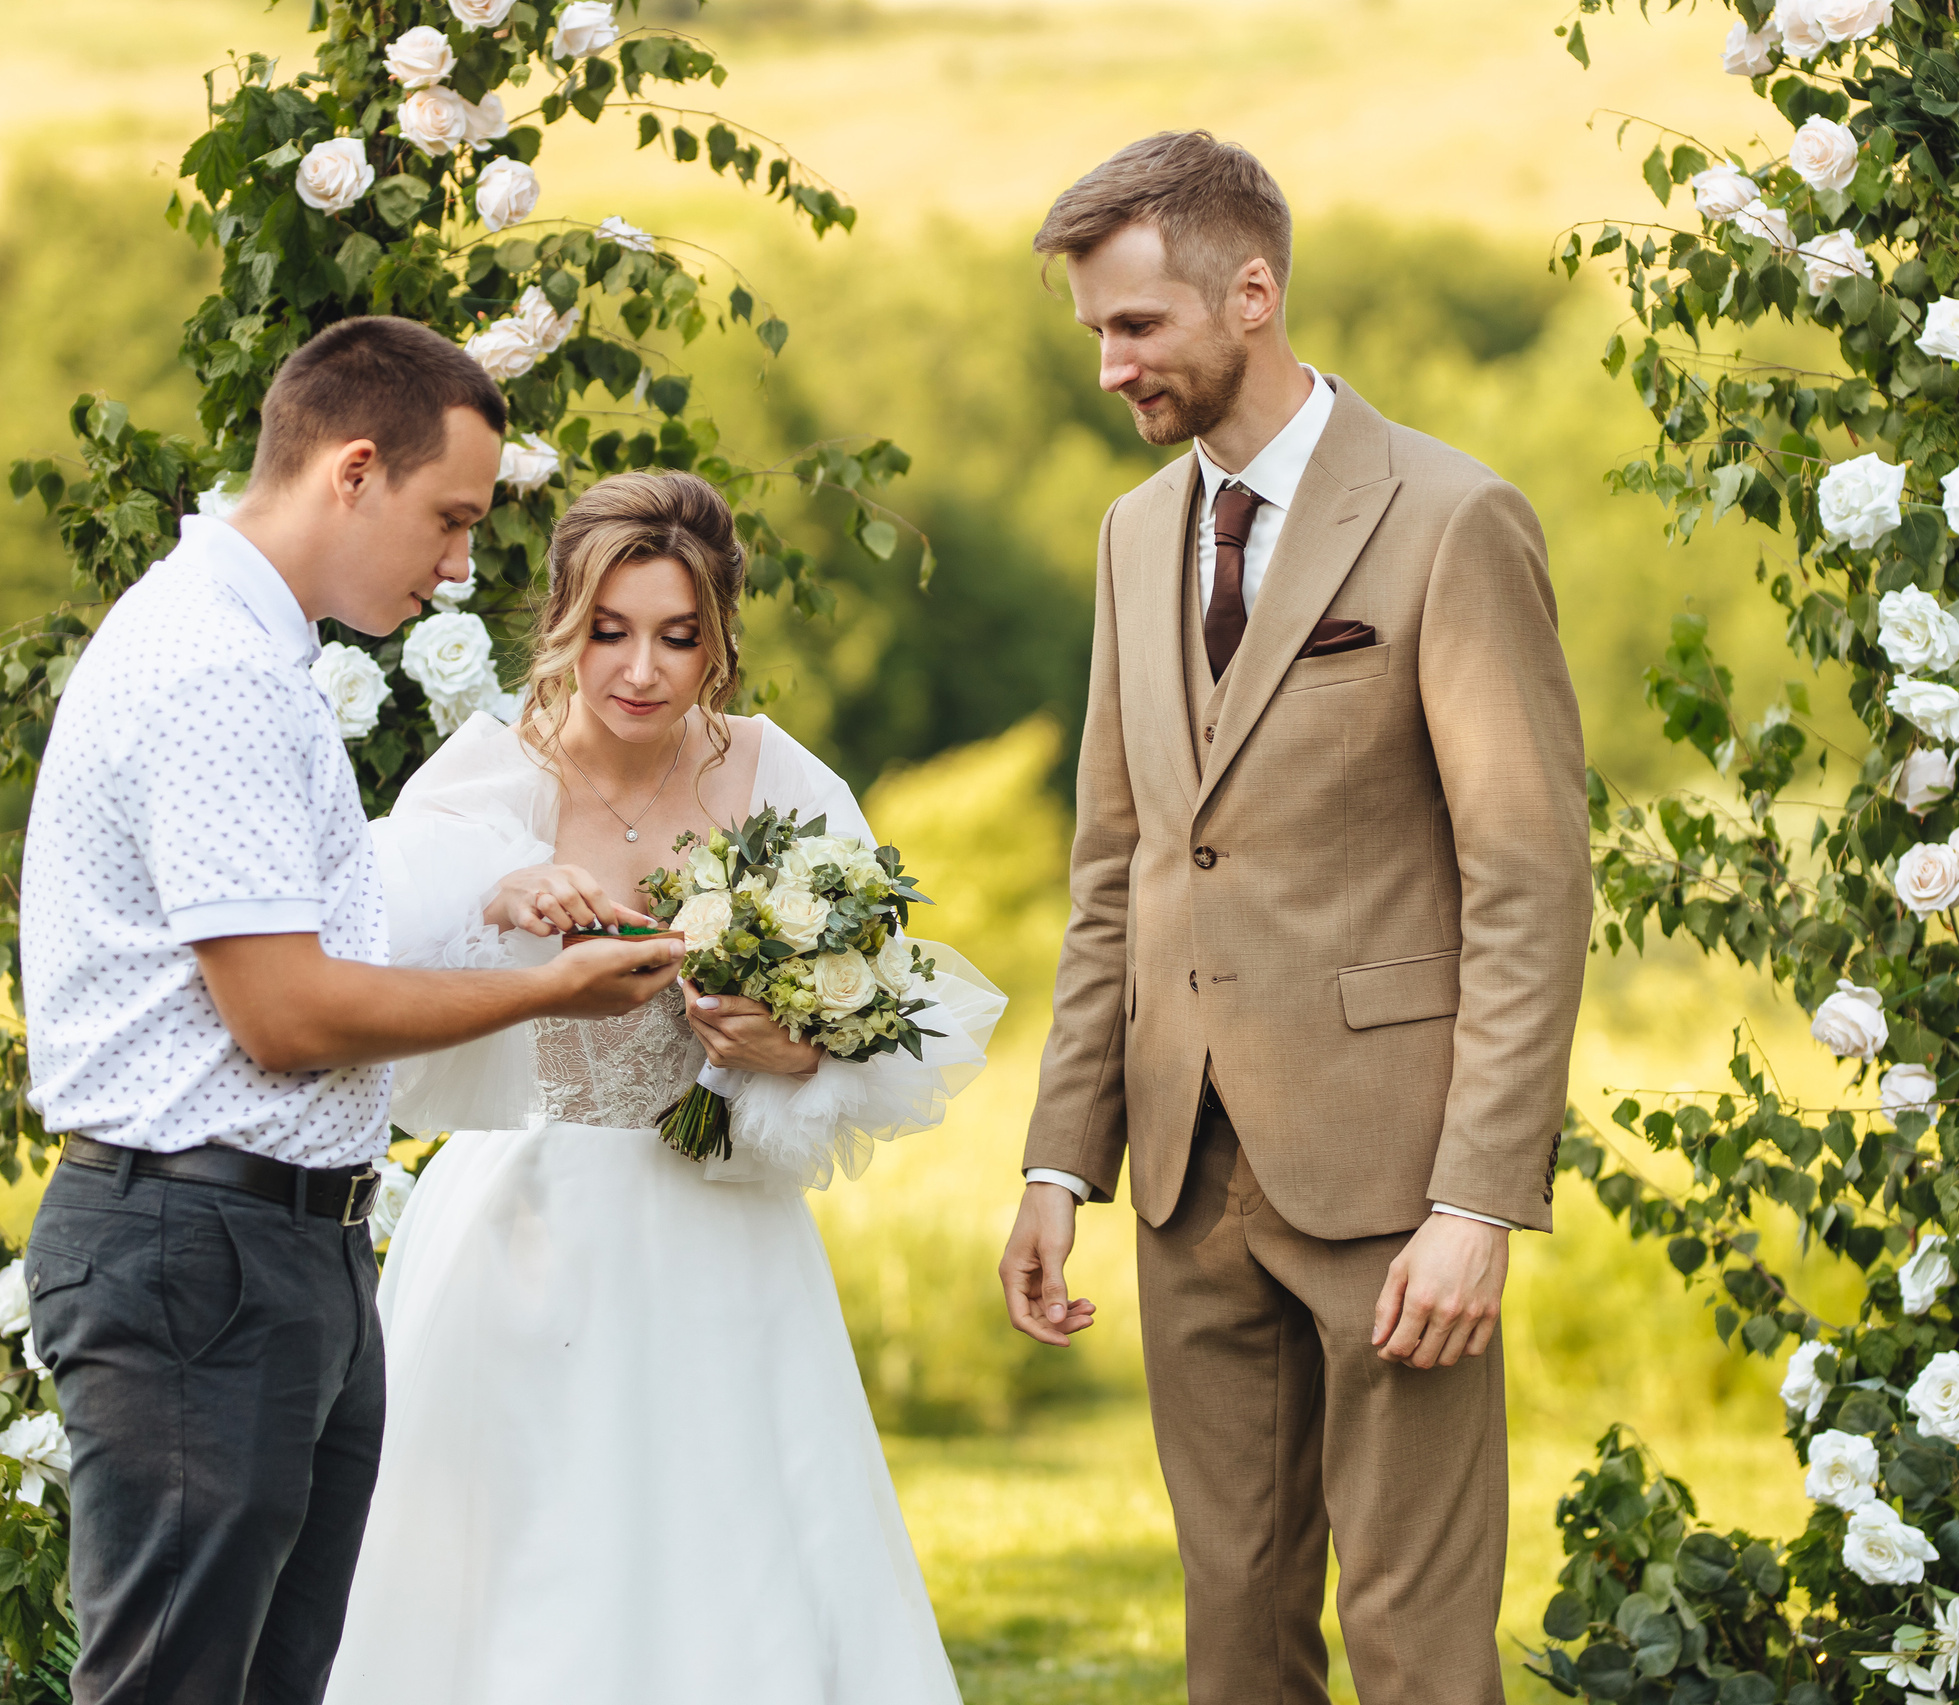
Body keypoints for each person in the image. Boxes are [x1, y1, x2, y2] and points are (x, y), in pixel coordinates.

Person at [996, 133, 1591, 1705]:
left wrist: (1481, 1200)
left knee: (1411, 1639)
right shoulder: (1135, 536)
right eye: (1095, 334)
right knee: (1234, 1633)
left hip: (1396, 1179)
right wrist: (1064, 1158)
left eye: (1137, 327)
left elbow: (1529, 882)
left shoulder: (1452, 519)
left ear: (1251, 292)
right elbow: (1118, 867)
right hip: (1188, 1173)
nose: (1111, 367)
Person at [18, 317, 688, 1705]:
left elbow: (295, 953)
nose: (458, 569)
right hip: (197, 1251)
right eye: (448, 520)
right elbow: (283, 1012)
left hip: (275, 1243)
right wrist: (549, 991)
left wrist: (493, 908)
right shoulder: (215, 670)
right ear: (354, 469)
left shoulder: (247, 654)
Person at [323, 470, 1005, 1704]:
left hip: (719, 1227)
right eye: (610, 633)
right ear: (565, 630)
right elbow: (374, 974)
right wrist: (499, 900)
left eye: (677, 637)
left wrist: (791, 1050)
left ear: (720, 640)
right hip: (519, 1228)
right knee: (519, 1557)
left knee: (736, 1544)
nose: (640, 669)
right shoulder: (485, 776)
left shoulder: (777, 779)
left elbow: (888, 1015)